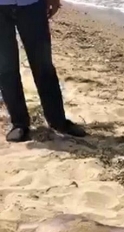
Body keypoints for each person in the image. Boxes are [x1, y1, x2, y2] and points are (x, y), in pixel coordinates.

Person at [0, 0, 86, 142]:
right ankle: (19, 123)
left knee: (44, 66)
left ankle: (58, 121)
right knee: (6, 69)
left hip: (32, 5)